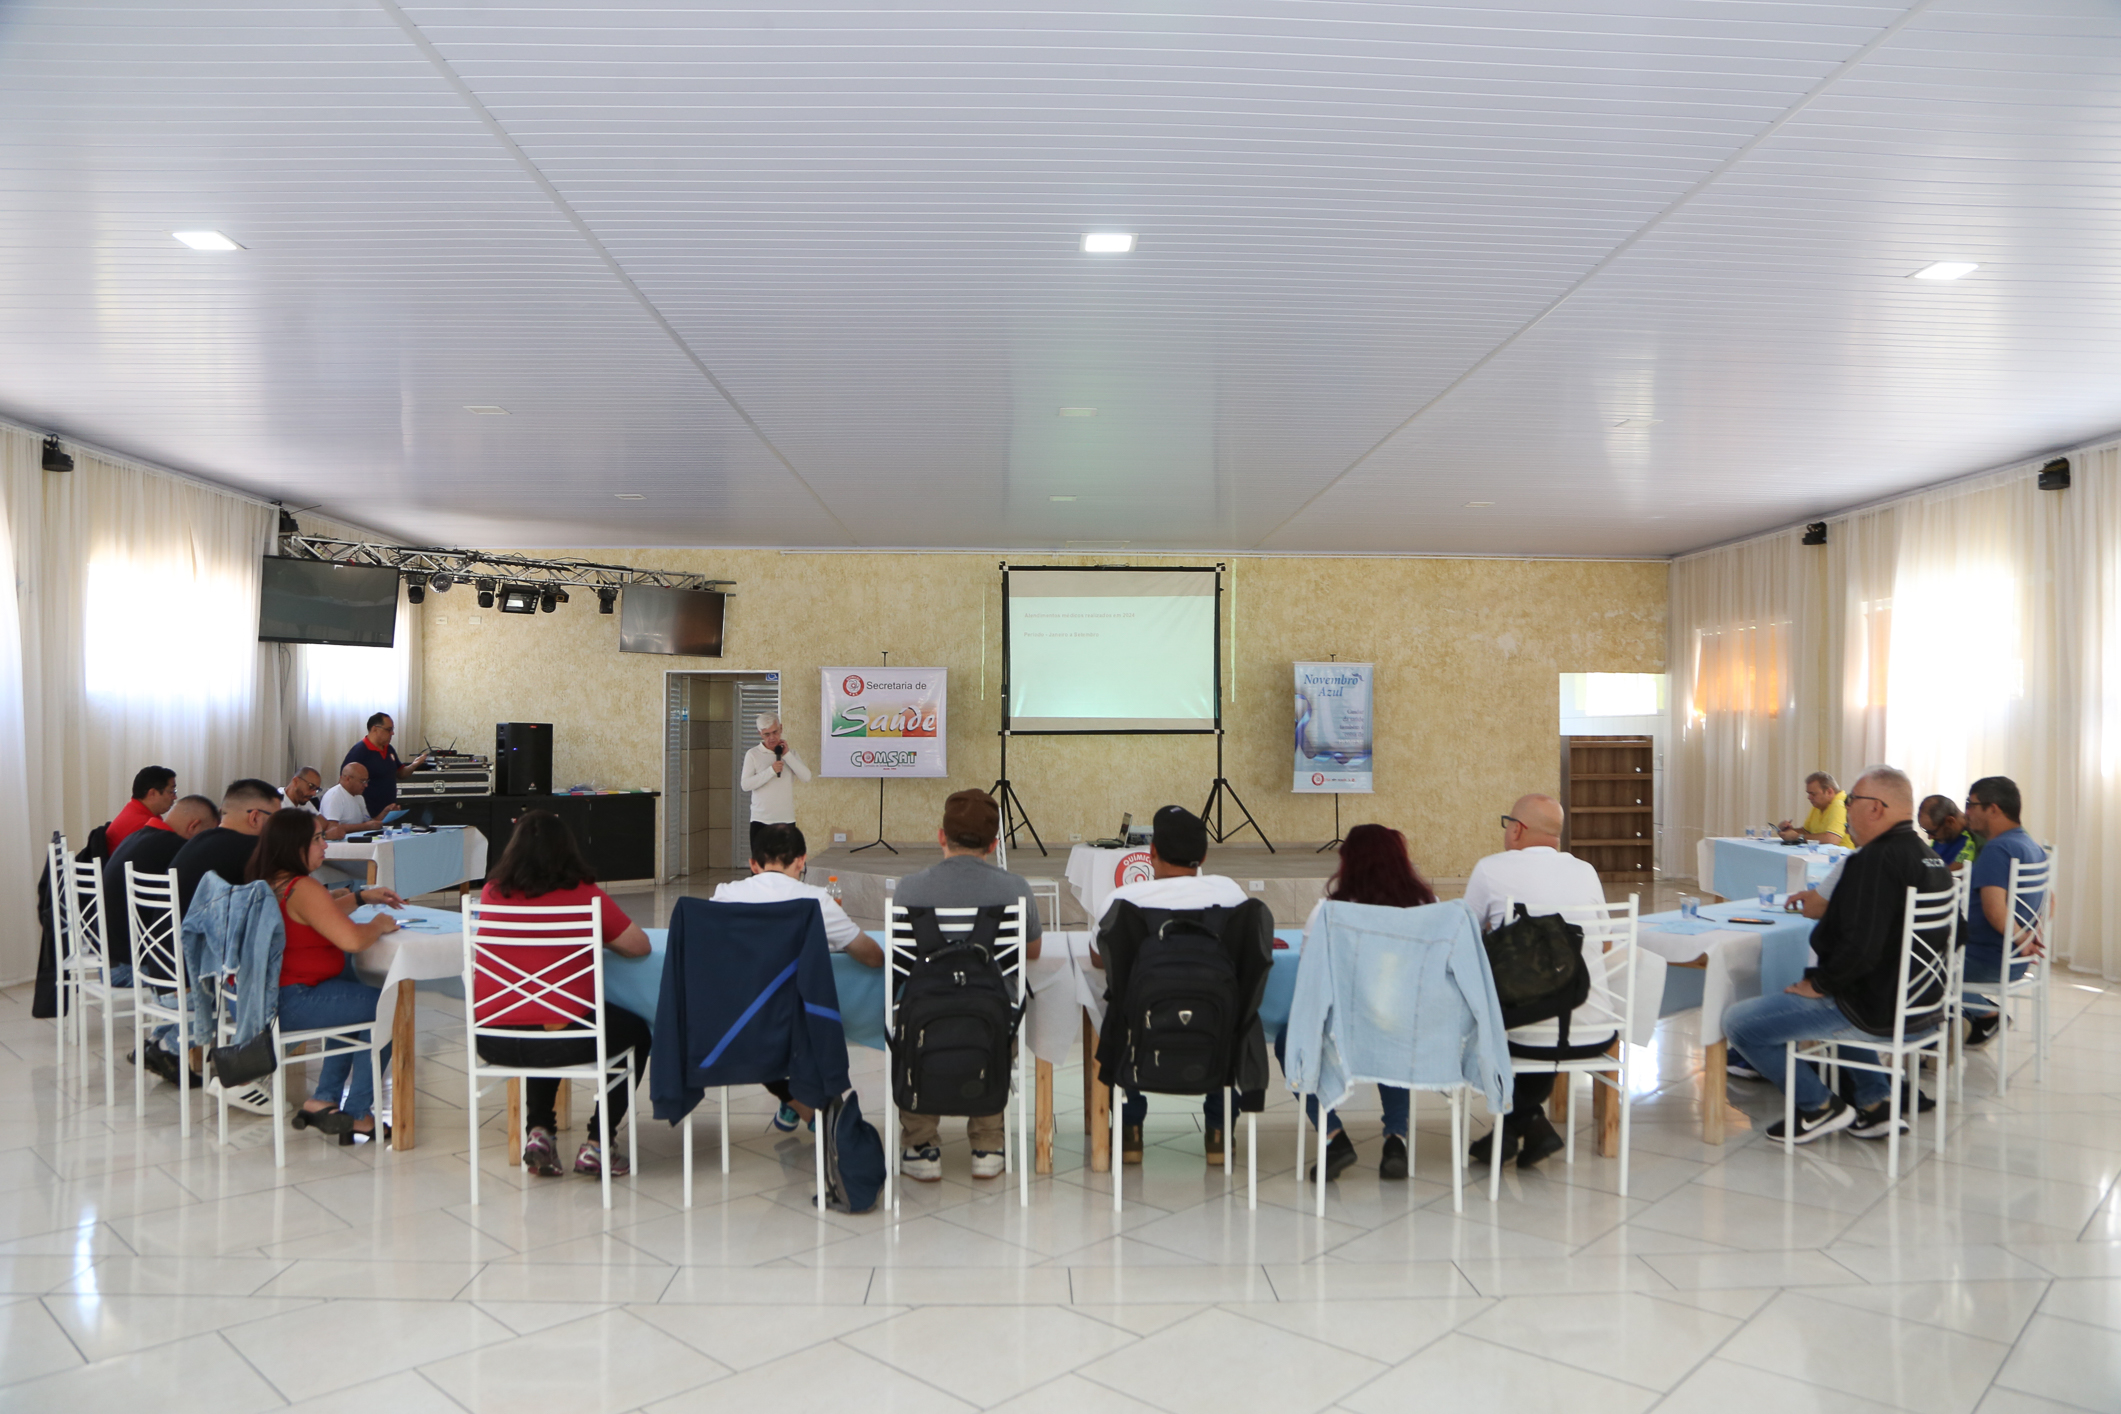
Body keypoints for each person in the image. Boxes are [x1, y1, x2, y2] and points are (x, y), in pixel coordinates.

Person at [1723, 766, 1952, 1143]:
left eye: (1853, 802)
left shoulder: (1872, 861)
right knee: (1837, 993)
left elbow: (1859, 948)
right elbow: (1958, 934)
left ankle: (1818, 1107)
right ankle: (1876, 1104)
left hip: (1875, 1011)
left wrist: (1822, 983)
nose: (1846, 811)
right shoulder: (1931, 859)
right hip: (1924, 1007)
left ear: (1876, 808)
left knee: (1739, 1022)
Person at [475, 809, 654, 1178]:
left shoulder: (493, 893)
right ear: (567, 850)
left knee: (545, 1018)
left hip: (493, 1038)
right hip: (564, 1038)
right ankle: (598, 1143)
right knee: (632, 1033)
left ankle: (539, 1132)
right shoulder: (583, 895)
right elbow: (639, 946)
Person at [888, 789, 1045, 1182]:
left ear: (941, 836)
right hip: (992, 1017)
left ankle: (921, 1145)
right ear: (994, 845)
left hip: (926, 1016)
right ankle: (988, 1145)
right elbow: (1034, 951)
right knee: (995, 1023)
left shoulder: (909, 889)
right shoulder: (1015, 889)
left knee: (915, 1026)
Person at [1460, 794, 1616, 1168]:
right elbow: (1606, 942)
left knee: (1496, 1014)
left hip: (1526, 1035)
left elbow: (1463, 940)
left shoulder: (1490, 869)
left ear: (1516, 829)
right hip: (1594, 1029)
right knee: (1543, 1002)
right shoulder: (1585, 871)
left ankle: (1525, 1122)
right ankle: (1529, 1124)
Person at [1092, 805, 1249, 1168]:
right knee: (1221, 1016)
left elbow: (1099, 959)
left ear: (1151, 854)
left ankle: (1130, 1129)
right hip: (1215, 1024)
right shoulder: (1231, 893)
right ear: (1204, 856)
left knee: (1123, 1011)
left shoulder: (1124, 901)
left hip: (1144, 1026)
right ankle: (1219, 1131)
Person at [1279, 824, 1433, 1182]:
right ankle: (1396, 1139)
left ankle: (1334, 1137)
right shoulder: (1429, 908)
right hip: (1408, 1029)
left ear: (1347, 862)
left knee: (1291, 1040)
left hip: (1343, 1032)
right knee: (1392, 1034)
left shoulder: (1328, 913)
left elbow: (1311, 978)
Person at [711, 821, 877, 1133]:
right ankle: (807, 1106)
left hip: (739, 1019)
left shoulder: (725, 896)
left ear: (754, 863)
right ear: (801, 860)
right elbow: (871, 956)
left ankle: (794, 1103)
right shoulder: (816, 901)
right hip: (804, 1017)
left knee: (761, 1027)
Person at [252, 809, 401, 1143]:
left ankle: (325, 1099)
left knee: (349, 988)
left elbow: (322, 915)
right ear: (295, 845)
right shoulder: (303, 887)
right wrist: (377, 924)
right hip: (293, 1000)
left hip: (273, 996)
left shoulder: (273, 879)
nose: (325, 846)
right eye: (317, 839)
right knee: (386, 1006)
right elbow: (351, 939)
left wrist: (362, 897)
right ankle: (360, 1114)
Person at [1959, 776, 2048, 1048]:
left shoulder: (1997, 849)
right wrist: (2030, 935)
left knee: (1913, 969)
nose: (1966, 813)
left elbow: (1995, 911)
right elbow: (2050, 900)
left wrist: (2023, 941)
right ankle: (1967, 1022)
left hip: (1984, 960)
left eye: (1971, 805)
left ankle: (1987, 1013)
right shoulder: (2032, 846)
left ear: (1993, 809)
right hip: (2012, 961)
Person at [103, 794, 219, 976]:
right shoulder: (177, 849)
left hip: (109, 961)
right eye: (208, 835)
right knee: (222, 982)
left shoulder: (136, 837)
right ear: (194, 826)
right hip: (134, 968)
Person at [739, 714, 810, 851]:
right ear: (759, 733)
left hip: (786, 820)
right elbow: (745, 785)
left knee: (786, 867)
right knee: (762, 868)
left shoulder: (791, 754)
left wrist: (787, 755)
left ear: (781, 728)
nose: (771, 738)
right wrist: (771, 771)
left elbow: (806, 777)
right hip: (761, 821)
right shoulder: (753, 754)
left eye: (775, 732)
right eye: (766, 734)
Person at [343, 712, 428, 819]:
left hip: (389, 812)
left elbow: (400, 773)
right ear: (375, 729)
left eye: (392, 729)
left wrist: (414, 764)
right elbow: (345, 783)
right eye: (389, 729)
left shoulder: (389, 749)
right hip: (368, 814)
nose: (392, 733)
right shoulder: (359, 751)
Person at [108, 766, 178, 850]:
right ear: (152, 793)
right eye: (171, 791)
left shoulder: (136, 811)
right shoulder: (141, 825)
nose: (175, 797)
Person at [1778, 772, 1853, 847]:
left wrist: (1798, 837)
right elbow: (1806, 832)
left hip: (1841, 856)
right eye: (1808, 793)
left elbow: (1832, 839)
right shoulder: (1819, 805)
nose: (1809, 797)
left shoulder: (1840, 805)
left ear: (1829, 792)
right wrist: (1789, 831)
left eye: (1813, 794)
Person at [285, 766, 350, 841]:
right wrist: (324, 835)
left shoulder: (304, 801)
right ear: (296, 781)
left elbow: (327, 825)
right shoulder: (277, 802)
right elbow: (286, 838)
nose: (314, 794)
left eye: (316, 789)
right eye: (311, 786)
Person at [1918, 795, 1980, 870]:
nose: (1930, 837)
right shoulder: (1941, 836)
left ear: (1950, 821)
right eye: (1926, 831)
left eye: (1932, 832)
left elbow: (1955, 871)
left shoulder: (1970, 839)